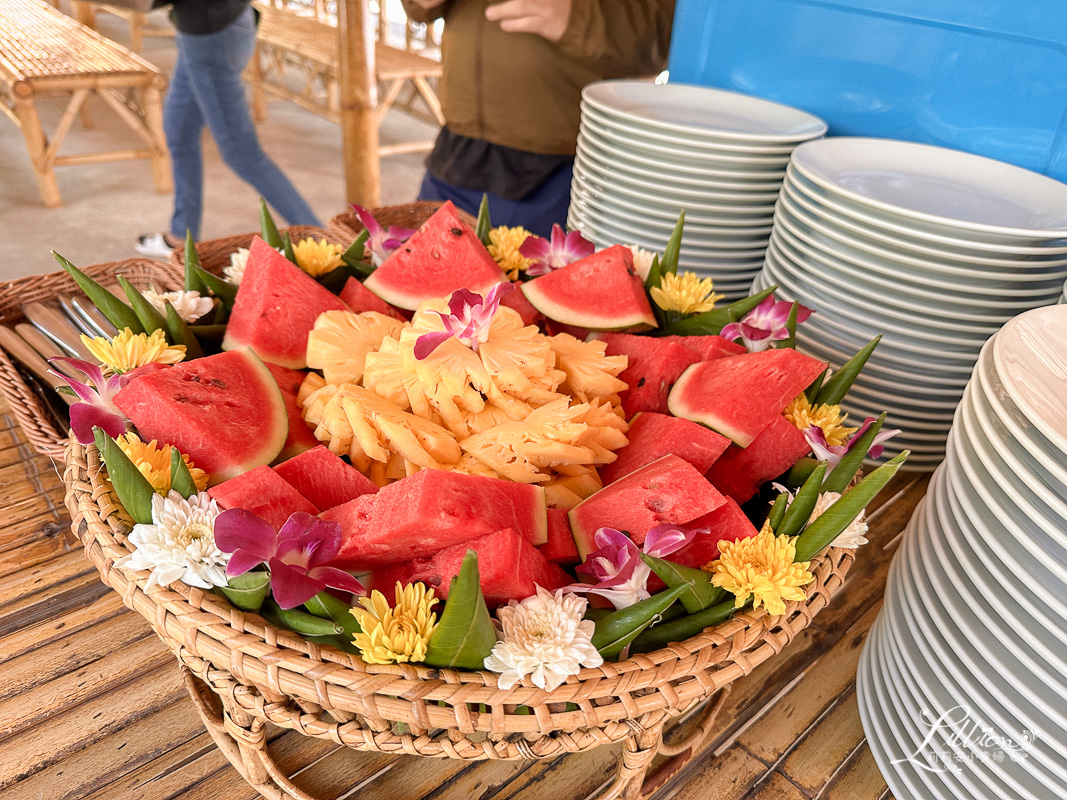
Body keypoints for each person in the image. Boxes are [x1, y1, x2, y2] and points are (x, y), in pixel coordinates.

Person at [400, 0, 675, 237]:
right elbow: (419, 11)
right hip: (455, 154)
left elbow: (671, 34)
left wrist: (578, 17)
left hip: (574, 172)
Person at [135, 0, 321, 257]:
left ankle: (325, 242)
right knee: (179, 130)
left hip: (213, 36)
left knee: (242, 154)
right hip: (203, 31)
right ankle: (181, 236)